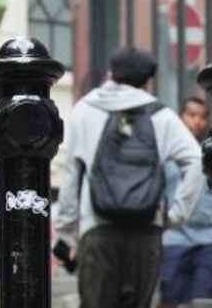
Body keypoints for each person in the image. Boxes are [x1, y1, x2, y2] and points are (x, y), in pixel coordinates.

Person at [56, 47, 204, 308]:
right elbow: (195, 158)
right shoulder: (162, 116)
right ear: (148, 80)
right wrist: (177, 213)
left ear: (112, 74)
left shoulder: (85, 110)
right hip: (146, 232)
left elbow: (72, 174)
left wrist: (66, 233)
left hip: (98, 231)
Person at [162, 95, 212, 307]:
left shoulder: (209, 153)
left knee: (202, 302)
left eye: (202, 117)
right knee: (169, 300)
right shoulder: (167, 154)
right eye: (191, 115)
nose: (197, 121)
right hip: (174, 239)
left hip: (208, 240)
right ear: (181, 117)